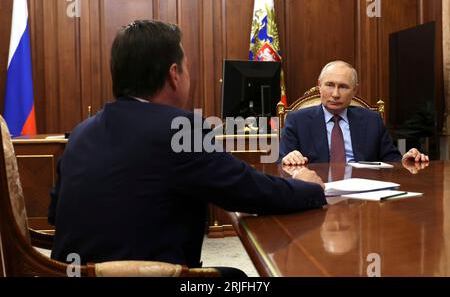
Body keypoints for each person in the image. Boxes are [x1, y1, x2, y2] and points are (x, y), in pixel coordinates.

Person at [48, 20, 327, 276]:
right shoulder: (179, 129)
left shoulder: (81, 132)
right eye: (187, 67)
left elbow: (54, 213)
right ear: (174, 75)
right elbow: (250, 190)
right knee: (241, 279)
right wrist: (308, 186)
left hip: (67, 273)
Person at [280, 60, 429, 166]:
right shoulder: (297, 120)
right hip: (316, 189)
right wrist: (288, 159)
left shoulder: (372, 120)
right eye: (330, 85)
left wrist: (406, 161)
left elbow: (390, 159)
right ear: (319, 85)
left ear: (354, 91)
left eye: (343, 87)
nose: (336, 94)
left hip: (364, 195)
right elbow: (281, 162)